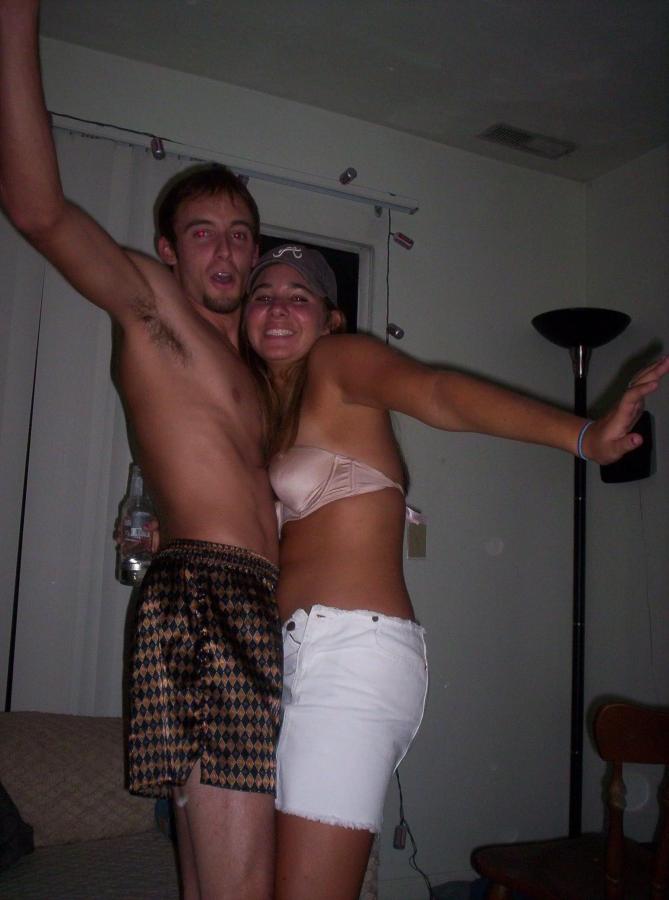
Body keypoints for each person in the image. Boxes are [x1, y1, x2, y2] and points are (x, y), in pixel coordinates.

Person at [241, 243, 669, 900]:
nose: (277, 308)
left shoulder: (337, 361)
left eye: (298, 296)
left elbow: (437, 393)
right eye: (262, 295)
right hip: (294, 657)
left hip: (349, 655)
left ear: (330, 318)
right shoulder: (271, 419)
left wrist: (583, 437)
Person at [0, 4, 280, 898]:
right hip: (211, 596)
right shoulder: (155, 312)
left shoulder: (265, 377)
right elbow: (39, 212)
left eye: (240, 233)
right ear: (167, 251)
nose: (225, 249)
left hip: (252, 603)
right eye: (202, 231)